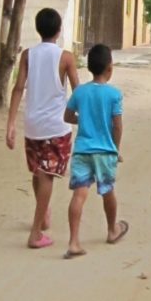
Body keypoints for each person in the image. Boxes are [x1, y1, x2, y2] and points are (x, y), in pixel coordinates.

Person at [5, 8, 79, 249]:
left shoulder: (28, 55)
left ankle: (43, 215)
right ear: (59, 30)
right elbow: (77, 91)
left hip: (33, 125)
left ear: (38, 29)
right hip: (56, 126)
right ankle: (36, 232)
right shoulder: (66, 57)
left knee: (38, 172)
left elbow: (18, 88)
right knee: (47, 175)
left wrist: (11, 124)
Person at [62, 43, 129, 259]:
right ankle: (112, 229)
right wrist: (115, 150)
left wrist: (83, 119)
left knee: (79, 194)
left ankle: (73, 241)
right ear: (110, 68)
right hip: (104, 151)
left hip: (82, 151)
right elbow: (117, 125)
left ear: (89, 67)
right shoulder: (114, 94)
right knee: (107, 191)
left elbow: (67, 117)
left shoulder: (80, 92)